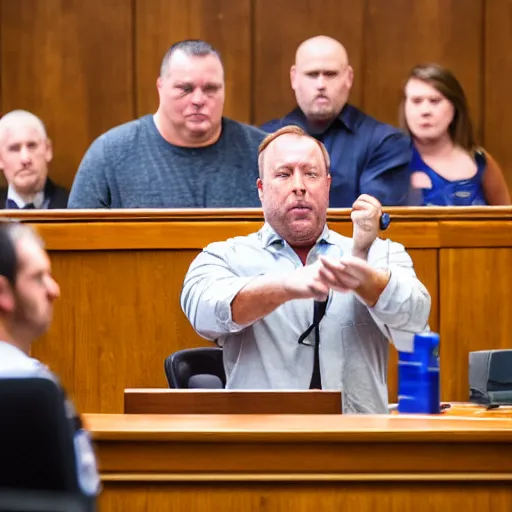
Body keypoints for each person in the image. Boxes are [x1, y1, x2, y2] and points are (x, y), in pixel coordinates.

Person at [181, 126, 431, 414]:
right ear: (262, 190)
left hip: (358, 446)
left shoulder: (377, 252)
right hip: (262, 446)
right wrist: (287, 286)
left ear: (327, 186)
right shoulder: (225, 256)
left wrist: (367, 279)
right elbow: (204, 312)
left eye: (310, 174)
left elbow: (415, 324)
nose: (299, 186)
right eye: (284, 174)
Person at [68, 39, 266, 208]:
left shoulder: (263, 153)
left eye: (210, 89)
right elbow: (76, 241)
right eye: (185, 89)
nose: (198, 99)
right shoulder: (109, 154)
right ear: (160, 87)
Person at [0, 222, 100, 497]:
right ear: (2, 293)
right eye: (38, 277)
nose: (53, 290)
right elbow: (82, 493)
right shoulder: (37, 391)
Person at [260, 35, 412, 208]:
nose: (321, 84)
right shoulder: (264, 140)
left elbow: (372, 220)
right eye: (312, 74)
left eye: (330, 74)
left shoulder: (385, 142)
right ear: (294, 78)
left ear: (348, 77)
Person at [400, 63, 511, 206]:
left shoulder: (481, 161)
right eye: (416, 101)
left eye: (435, 101)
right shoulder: (389, 162)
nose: (425, 111)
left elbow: (506, 223)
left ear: (455, 107)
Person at [0, 110, 69, 209]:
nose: (25, 159)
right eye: (14, 149)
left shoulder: (73, 206)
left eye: (32, 146)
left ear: (48, 149)